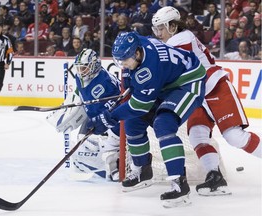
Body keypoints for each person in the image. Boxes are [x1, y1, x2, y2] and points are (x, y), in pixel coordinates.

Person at [87, 31, 206, 208]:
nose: (123, 65)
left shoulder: (149, 68)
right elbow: (132, 85)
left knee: (164, 124)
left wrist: (109, 118)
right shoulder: (137, 46)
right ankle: (143, 170)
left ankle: (179, 183)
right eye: (120, 61)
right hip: (165, 83)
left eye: (125, 60)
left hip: (188, 82)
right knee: (132, 123)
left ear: (137, 53)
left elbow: (139, 106)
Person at [151, 6, 261, 196]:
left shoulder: (182, 38)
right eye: (156, 29)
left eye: (161, 28)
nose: (159, 33)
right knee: (197, 136)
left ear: (172, 25)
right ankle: (214, 177)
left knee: (234, 137)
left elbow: (169, 67)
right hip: (197, 94)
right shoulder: (173, 41)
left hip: (214, 86)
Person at [46, 48, 121, 181]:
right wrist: (67, 107)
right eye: (79, 68)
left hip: (113, 119)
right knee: (82, 142)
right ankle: (86, 163)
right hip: (93, 115)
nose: (81, 71)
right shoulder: (80, 77)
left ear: (94, 66)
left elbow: (116, 103)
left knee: (108, 147)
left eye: (84, 68)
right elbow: (78, 93)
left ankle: (115, 168)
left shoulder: (105, 81)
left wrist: (101, 119)